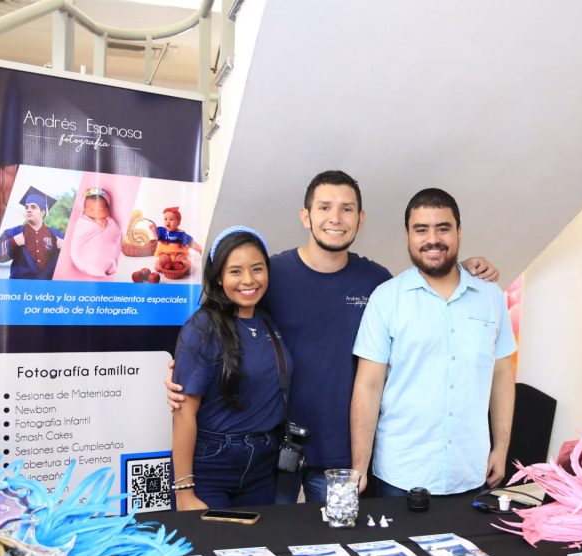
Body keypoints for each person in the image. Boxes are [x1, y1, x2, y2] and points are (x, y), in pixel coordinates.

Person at [166, 170, 498, 504]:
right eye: (325, 207)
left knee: (332, 549)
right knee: (270, 544)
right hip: (270, 452)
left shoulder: (376, 281)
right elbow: (222, 322)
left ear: (361, 218)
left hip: (341, 453)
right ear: (305, 216)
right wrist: (181, 377)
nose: (335, 218)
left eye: (347, 209)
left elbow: (422, 302)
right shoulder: (271, 273)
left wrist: (463, 267)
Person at [350, 188, 516, 497]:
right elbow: (368, 386)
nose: (433, 239)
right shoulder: (386, 299)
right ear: (407, 236)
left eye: (443, 228)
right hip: (399, 474)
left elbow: (502, 374)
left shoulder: (491, 297)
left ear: (459, 232)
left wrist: (501, 447)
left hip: (471, 470)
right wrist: (359, 467)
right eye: (421, 229)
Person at [170, 226, 290, 511]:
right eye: (235, 271)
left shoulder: (267, 323)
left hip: (262, 466)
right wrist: (185, 492)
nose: (248, 280)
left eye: (257, 269)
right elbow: (184, 414)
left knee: (256, 551)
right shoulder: (202, 327)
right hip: (213, 465)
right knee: (210, 551)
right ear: (218, 277)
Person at [0, 186, 63, 280]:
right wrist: (13, 242)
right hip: (19, 288)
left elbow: (74, 258)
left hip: (47, 290)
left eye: (33, 207)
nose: (29, 210)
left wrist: (64, 248)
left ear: (42, 212)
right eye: (27, 207)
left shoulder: (57, 235)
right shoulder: (14, 232)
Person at [53, 187, 123, 281]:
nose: (95, 213)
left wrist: (102, 223)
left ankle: (105, 264)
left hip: (101, 256)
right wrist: (95, 223)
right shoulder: (83, 221)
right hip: (81, 256)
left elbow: (113, 233)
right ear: (84, 209)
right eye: (90, 209)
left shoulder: (109, 223)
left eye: (100, 210)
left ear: (108, 209)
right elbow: (81, 231)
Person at [155, 206, 203, 271]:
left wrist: (198, 248)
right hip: (166, 253)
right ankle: (160, 264)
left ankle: (186, 266)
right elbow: (157, 238)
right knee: (163, 258)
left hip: (178, 254)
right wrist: (153, 230)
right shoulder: (163, 232)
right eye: (165, 219)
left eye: (171, 219)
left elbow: (190, 242)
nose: (168, 221)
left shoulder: (181, 234)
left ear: (178, 223)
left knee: (182, 259)